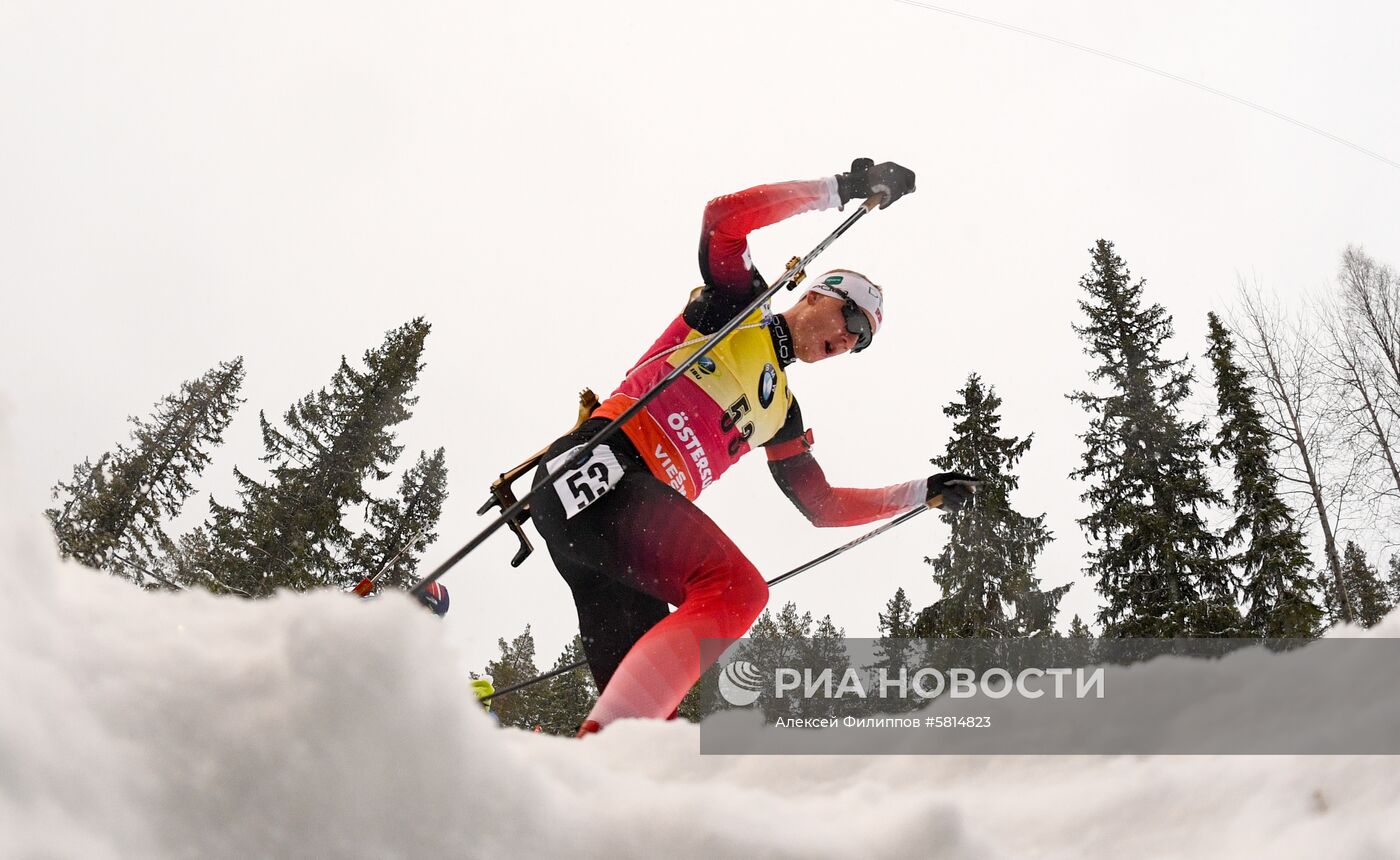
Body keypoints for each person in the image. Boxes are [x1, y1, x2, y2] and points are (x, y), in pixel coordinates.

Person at [529, 159, 976, 737]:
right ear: (815, 296)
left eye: (860, 342)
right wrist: (840, 189)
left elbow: (822, 506)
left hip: (608, 528)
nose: (847, 340)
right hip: (601, 464)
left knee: (638, 732)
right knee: (737, 591)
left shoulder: (782, 412)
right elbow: (723, 222)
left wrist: (922, 492)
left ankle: (566, 781)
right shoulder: (739, 308)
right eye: (850, 318)